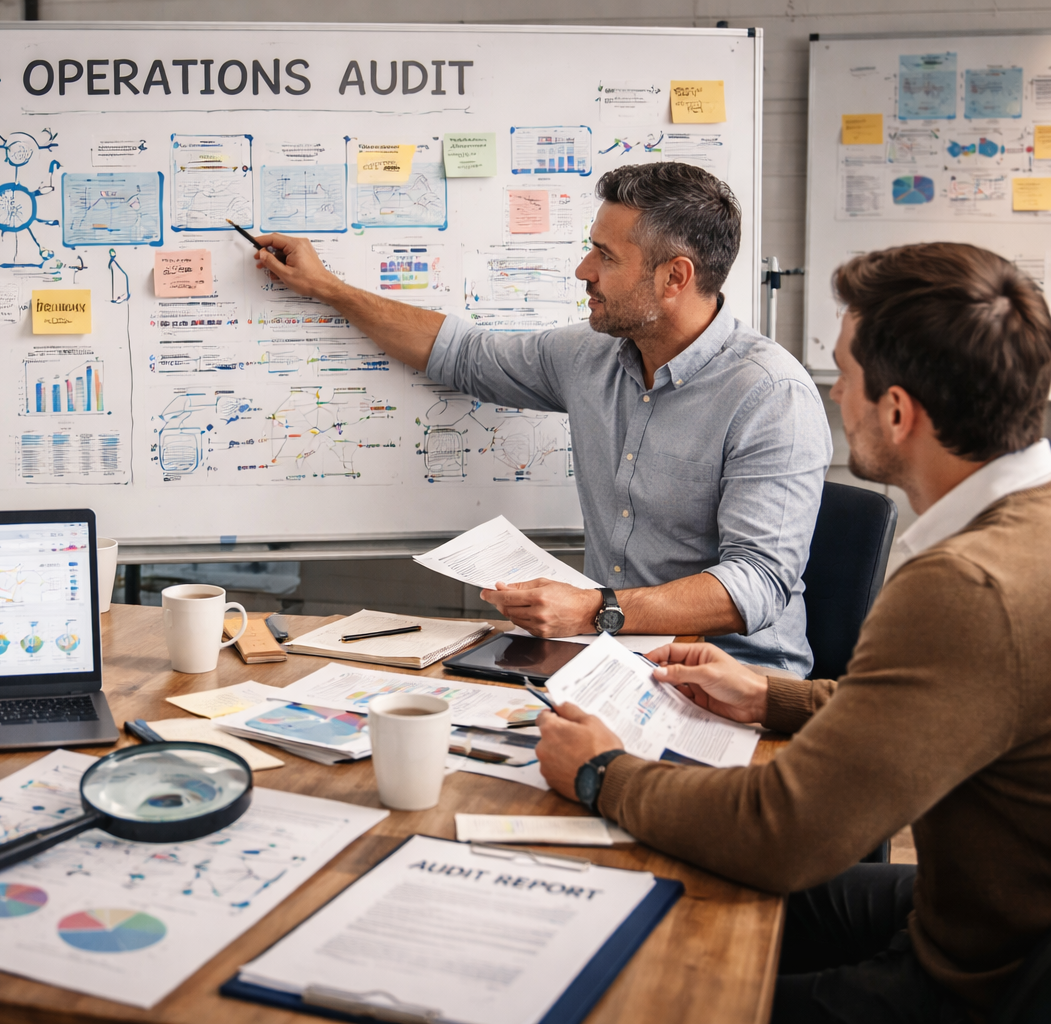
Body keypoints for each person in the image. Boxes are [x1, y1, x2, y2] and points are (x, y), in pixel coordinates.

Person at [534, 242, 1051, 1023]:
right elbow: (948, 703)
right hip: (977, 908)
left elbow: (782, 835)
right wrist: (769, 696)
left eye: (844, 374)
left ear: (898, 411)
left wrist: (601, 771)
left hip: (980, 981)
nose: (835, 394)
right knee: (655, 901)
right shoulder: (1024, 532)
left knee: (632, 999)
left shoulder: (965, 587)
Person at [253, 162, 831, 675]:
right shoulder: (590, 356)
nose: (584, 270)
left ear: (674, 277)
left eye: (606, 256)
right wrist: (326, 288)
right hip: (615, 657)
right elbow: (464, 354)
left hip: (736, 679)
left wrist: (596, 609)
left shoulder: (770, 395)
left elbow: (758, 583)